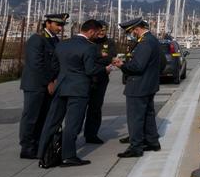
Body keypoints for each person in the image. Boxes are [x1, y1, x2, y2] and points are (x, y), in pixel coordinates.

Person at [37, 19, 109, 167]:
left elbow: (54, 67)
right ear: (90, 31)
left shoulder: (62, 44)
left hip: (61, 87)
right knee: (73, 123)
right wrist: (105, 69)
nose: (97, 35)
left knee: (52, 121)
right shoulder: (89, 48)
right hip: (79, 89)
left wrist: (52, 82)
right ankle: (68, 156)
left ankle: (42, 153)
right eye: (96, 33)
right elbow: (90, 70)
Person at [19, 13, 67, 159]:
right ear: (48, 23)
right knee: (31, 116)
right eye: (58, 25)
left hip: (49, 84)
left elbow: (55, 63)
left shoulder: (54, 40)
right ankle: (27, 147)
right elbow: (36, 64)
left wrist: (55, 80)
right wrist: (49, 82)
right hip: (35, 84)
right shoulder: (37, 39)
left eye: (62, 25)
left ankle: (39, 142)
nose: (60, 28)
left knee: (43, 116)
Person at [113, 18, 161, 158]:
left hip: (138, 86)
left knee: (135, 118)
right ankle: (152, 141)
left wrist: (122, 65)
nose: (131, 35)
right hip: (149, 85)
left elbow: (137, 67)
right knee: (148, 115)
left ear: (136, 29)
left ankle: (136, 147)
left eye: (130, 32)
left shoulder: (145, 43)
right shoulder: (152, 40)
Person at [83, 20, 113, 144]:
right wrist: (100, 58)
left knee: (95, 108)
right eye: (99, 30)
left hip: (101, 79)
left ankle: (91, 134)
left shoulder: (109, 43)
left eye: (104, 30)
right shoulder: (88, 41)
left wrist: (99, 60)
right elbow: (86, 61)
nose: (101, 32)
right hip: (87, 79)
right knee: (80, 107)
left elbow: (110, 58)